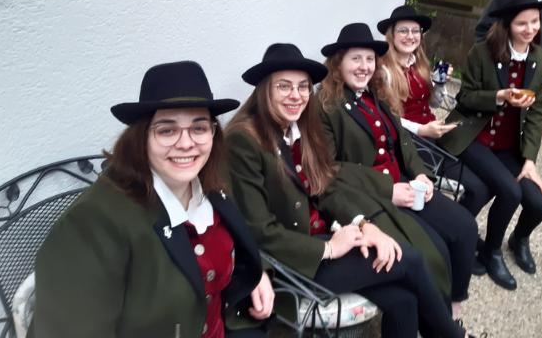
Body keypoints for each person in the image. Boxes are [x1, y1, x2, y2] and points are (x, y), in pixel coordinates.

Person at [226, 43, 476, 338]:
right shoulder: (244, 140)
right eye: (284, 86)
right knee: (409, 259)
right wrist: (330, 248)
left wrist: (363, 224)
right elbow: (260, 231)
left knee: (404, 300)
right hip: (290, 263)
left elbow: (325, 188)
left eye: (303, 86)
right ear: (264, 89)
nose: (296, 95)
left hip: (326, 236)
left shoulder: (298, 127)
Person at [28, 61, 274, 338]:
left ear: (213, 133)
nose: (186, 143)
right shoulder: (91, 224)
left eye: (199, 128)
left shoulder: (211, 183)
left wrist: (255, 273)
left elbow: (234, 238)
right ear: (141, 137)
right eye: (167, 130)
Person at [317, 23, 478, 320]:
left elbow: (403, 140)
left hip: (406, 184)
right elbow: (329, 169)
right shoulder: (326, 105)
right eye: (355, 58)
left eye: (369, 59)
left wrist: (420, 174)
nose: (364, 66)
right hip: (372, 197)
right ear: (338, 63)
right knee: (434, 250)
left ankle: (454, 306)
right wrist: (387, 190)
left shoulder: (377, 92)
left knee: (465, 227)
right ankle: (444, 321)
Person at [438, 0, 542, 291]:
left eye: (535, 22)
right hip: (474, 138)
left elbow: (537, 113)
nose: (530, 29)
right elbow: (465, 98)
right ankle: (491, 252)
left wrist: (529, 161)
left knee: (539, 204)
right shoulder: (482, 52)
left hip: (508, 148)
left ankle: (519, 239)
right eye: (521, 23)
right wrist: (499, 96)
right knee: (510, 192)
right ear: (507, 25)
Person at [377, 6, 493, 255]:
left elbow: (433, 103)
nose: (410, 36)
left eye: (415, 31)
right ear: (392, 35)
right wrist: (421, 130)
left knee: (485, 183)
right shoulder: (384, 71)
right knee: (476, 188)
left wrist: (440, 85)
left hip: (432, 132)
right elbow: (387, 118)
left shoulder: (419, 63)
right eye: (403, 31)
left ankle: (459, 231)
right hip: (411, 141)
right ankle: (458, 234)